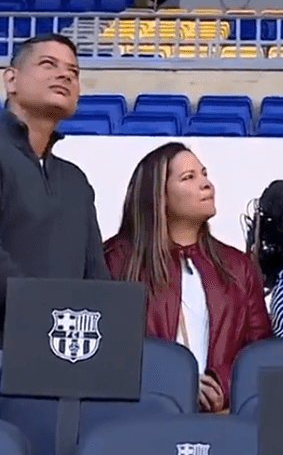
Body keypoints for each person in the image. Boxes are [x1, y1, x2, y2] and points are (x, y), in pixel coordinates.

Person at [0, 33, 110, 415]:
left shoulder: (75, 180)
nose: (65, 76)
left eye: (73, 71)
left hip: (64, 355)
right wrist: (49, 314)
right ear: (11, 80)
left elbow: (96, 272)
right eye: (48, 65)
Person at [103, 143, 272, 413]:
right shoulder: (115, 260)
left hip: (220, 420)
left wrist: (222, 384)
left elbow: (260, 351)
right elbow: (106, 348)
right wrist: (175, 383)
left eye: (204, 174)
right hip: (141, 417)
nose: (206, 184)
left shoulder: (238, 265)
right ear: (159, 195)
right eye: (188, 177)